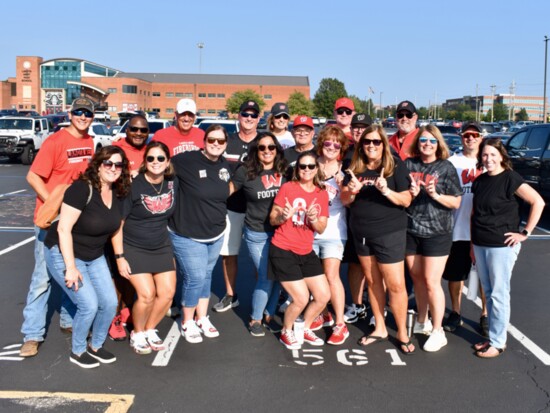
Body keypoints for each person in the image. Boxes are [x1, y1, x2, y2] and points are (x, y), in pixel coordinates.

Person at [20, 97, 95, 358]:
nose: (83, 117)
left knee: (72, 271)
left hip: (74, 220)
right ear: (70, 113)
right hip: (51, 219)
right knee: (42, 278)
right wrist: (53, 201)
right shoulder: (55, 141)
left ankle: (67, 320)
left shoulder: (88, 141)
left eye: (88, 113)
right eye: (79, 112)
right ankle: (32, 334)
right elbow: (32, 176)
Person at [43, 146, 131, 368]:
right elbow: (63, 229)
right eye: (108, 163)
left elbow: (117, 229)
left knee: (110, 303)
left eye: (118, 164)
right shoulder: (82, 189)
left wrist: (120, 257)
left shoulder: (118, 192)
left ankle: (97, 346)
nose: (113, 168)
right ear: (98, 165)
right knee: (89, 304)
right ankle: (78, 350)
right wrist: (71, 268)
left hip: (94, 254)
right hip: (64, 253)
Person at [341, 125, 414, 353]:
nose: (371, 145)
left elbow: (406, 200)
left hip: (389, 233)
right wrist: (351, 191)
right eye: (366, 142)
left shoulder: (394, 166)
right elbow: (345, 200)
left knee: (395, 284)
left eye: (376, 141)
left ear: (383, 143)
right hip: (362, 232)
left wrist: (386, 191)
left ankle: (402, 332)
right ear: (361, 145)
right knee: (372, 282)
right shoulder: (352, 166)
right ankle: (380, 327)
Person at [472, 138, 544, 358]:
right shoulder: (481, 180)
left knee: (499, 294)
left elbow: (537, 202)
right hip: (480, 244)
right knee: (489, 293)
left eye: (493, 154)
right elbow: (474, 214)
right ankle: (492, 337)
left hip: (501, 246)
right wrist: (472, 245)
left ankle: (498, 342)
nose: (488, 159)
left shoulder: (510, 178)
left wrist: (525, 233)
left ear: (502, 156)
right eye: (485, 155)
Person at [112, 142, 177, 354]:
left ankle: (150, 328)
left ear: (167, 162)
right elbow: (118, 225)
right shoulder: (133, 186)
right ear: (144, 161)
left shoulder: (172, 183)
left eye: (160, 158)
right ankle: (137, 332)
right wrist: (120, 257)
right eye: (150, 158)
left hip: (161, 246)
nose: (155, 162)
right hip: (134, 247)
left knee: (167, 294)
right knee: (147, 294)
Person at [170, 125, 232, 343]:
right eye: (211, 140)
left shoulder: (225, 165)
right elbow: (157, 168)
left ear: (226, 144)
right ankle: (187, 321)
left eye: (220, 141)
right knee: (194, 277)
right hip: (187, 232)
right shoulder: (185, 160)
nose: (216, 144)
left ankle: (202, 317)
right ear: (204, 141)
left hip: (215, 232)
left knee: (205, 275)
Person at [405, 125, 462, 352]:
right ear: (417, 142)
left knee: (431, 281)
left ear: (438, 144)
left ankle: (438, 331)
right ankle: (422, 320)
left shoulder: (445, 168)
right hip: (411, 229)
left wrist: (434, 194)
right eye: (423, 140)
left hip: (437, 232)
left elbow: (456, 202)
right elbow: (403, 196)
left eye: (431, 141)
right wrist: (411, 192)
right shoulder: (409, 165)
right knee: (417, 278)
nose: (427, 144)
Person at [269, 151, 330, 349]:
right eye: (302, 166)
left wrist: (312, 219)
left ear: (316, 169)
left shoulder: (321, 193)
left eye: (311, 166)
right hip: (284, 249)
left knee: (323, 296)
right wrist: (283, 216)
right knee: (301, 298)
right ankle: (286, 331)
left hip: (306, 250)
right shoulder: (288, 187)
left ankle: (303, 327)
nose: (306, 170)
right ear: (297, 169)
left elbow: (321, 227)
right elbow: (272, 219)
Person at [232, 132, 288, 336]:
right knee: (265, 275)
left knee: (279, 276)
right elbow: (223, 192)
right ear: (255, 150)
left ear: (277, 149)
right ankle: (255, 318)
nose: (267, 151)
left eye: (271, 147)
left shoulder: (285, 170)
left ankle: (269, 313)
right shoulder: (245, 172)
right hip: (257, 232)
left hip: (282, 232)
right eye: (262, 147)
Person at [214, 100, 260, 313]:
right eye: (245, 114)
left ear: (259, 118)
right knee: (229, 253)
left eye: (253, 115)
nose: (249, 118)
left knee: (261, 256)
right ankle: (231, 295)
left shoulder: (265, 142)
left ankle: (265, 297)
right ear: (238, 117)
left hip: (258, 208)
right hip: (231, 206)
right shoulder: (227, 141)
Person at [442, 121, 488, 334]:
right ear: (461, 137)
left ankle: (485, 315)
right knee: (456, 275)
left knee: (485, 276)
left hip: (483, 230)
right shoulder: (452, 162)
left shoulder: (489, 160)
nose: (470, 138)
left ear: (480, 137)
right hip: (457, 227)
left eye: (474, 135)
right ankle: (456, 312)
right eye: (466, 135)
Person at [108, 114, 150, 341]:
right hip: (116, 219)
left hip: (139, 223)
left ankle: (126, 310)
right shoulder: (116, 149)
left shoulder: (150, 152)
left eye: (143, 130)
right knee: (117, 273)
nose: (138, 134)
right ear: (127, 129)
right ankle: (114, 317)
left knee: (134, 273)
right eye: (134, 129)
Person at [310, 126, 350, 345]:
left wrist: (344, 186)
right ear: (321, 144)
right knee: (315, 276)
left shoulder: (344, 170)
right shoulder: (310, 165)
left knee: (331, 276)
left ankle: (340, 323)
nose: (332, 147)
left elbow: (347, 202)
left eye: (337, 144)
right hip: (310, 230)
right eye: (328, 143)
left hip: (335, 231)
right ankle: (323, 313)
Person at [342, 113, 373, 324]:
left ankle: (376, 307)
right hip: (353, 216)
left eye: (364, 127)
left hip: (378, 219)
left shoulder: (381, 152)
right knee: (355, 263)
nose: (359, 131)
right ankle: (357, 304)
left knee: (375, 267)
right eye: (356, 127)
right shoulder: (346, 154)